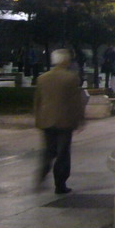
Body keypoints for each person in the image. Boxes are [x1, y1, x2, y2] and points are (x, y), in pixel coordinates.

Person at [34, 49, 87, 194]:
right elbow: (76, 102)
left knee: (48, 150)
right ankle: (60, 183)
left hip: (46, 120)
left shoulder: (42, 78)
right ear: (65, 61)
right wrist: (81, 119)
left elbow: (38, 101)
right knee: (63, 153)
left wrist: (38, 119)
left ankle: (42, 173)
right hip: (64, 121)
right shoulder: (71, 78)